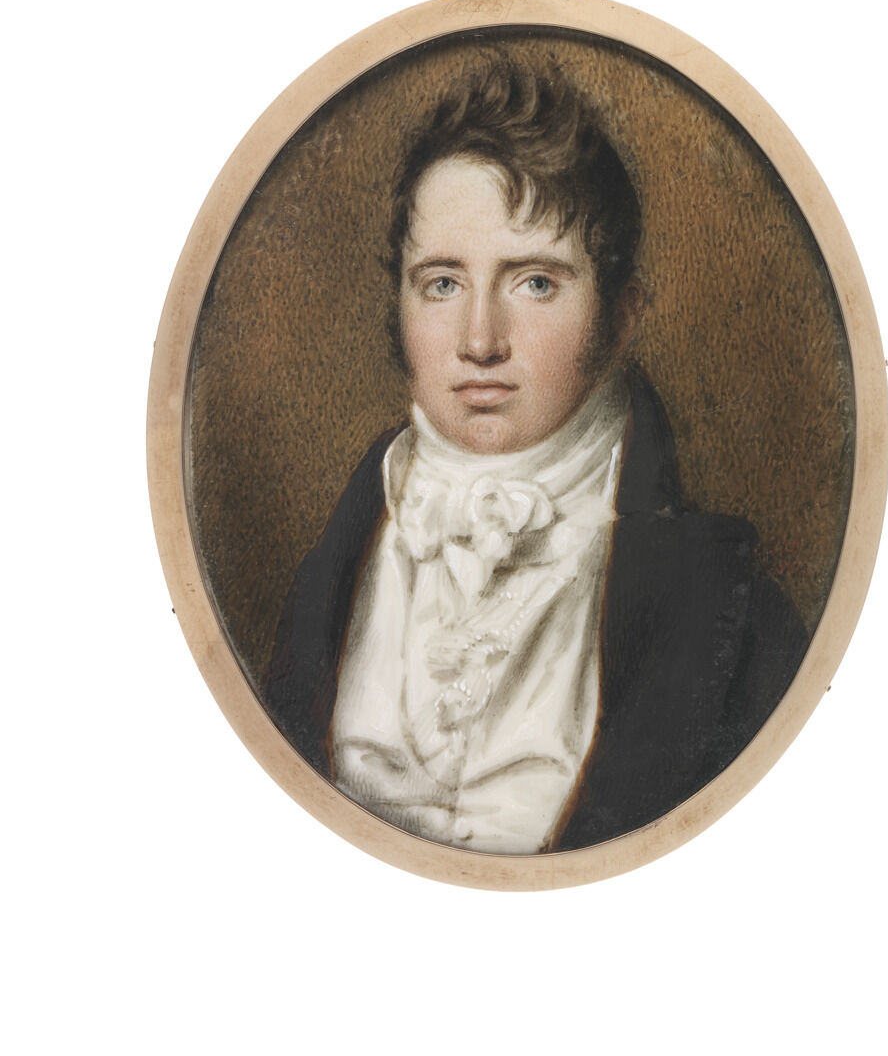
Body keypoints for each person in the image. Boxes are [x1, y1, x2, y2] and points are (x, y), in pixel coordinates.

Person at [265, 57, 808, 854]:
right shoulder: (336, 564)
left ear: (620, 317)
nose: (480, 340)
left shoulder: (730, 611)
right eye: (442, 283)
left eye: (536, 283)